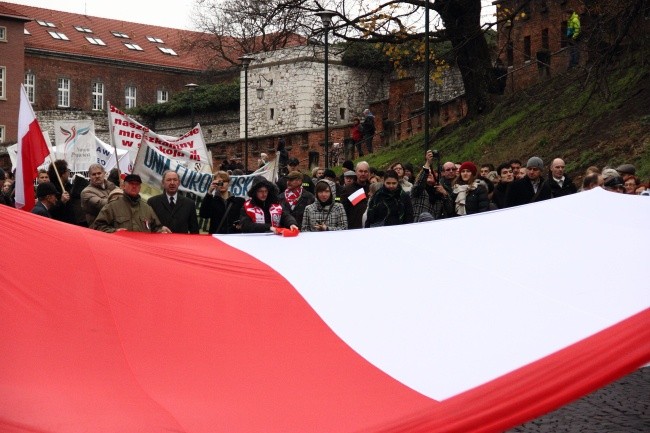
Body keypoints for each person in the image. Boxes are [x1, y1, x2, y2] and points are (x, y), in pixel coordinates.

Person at [92, 174, 171, 233]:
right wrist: (114, 231)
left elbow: (156, 228)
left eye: (137, 184)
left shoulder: (147, 208)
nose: (134, 186)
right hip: (122, 248)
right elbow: (98, 226)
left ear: (140, 188)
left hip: (142, 249)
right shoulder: (113, 206)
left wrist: (161, 230)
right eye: (131, 183)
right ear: (124, 186)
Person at [410, 150, 454, 221]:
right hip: (417, 224)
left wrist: (445, 194)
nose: (429, 174)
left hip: (433, 227)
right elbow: (420, 182)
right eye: (428, 173)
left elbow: (449, 210)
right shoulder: (418, 191)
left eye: (431, 173)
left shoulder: (439, 193)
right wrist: (428, 163)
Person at [340, 161, 371, 229]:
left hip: (369, 228)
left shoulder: (371, 188)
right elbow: (343, 211)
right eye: (360, 171)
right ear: (356, 172)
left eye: (365, 171)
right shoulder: (347, 189)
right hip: (354, 228)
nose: (363, 174)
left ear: (369, 173)